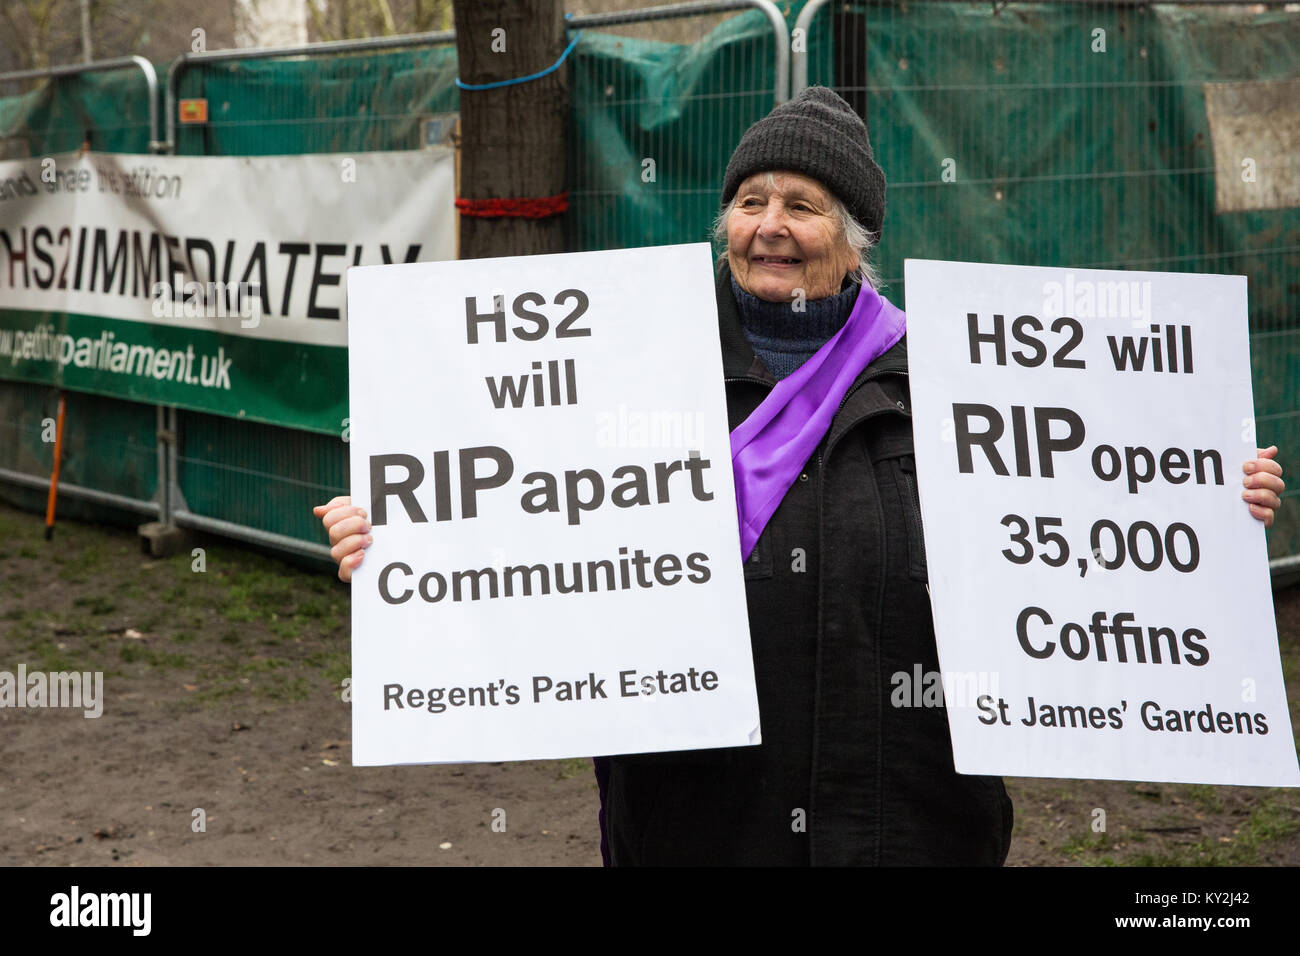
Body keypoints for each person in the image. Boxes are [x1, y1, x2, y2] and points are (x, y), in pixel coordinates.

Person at [314, 87, 1286, 866]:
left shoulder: (956, 379)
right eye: (749, 201)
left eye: (802, 205)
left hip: (905, 821)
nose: (769, 225)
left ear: (856, 236)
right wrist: (399, 538)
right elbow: (516, 526)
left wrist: (1204, 498)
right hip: (695, 824)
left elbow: (1084, 516)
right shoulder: (630, 369)